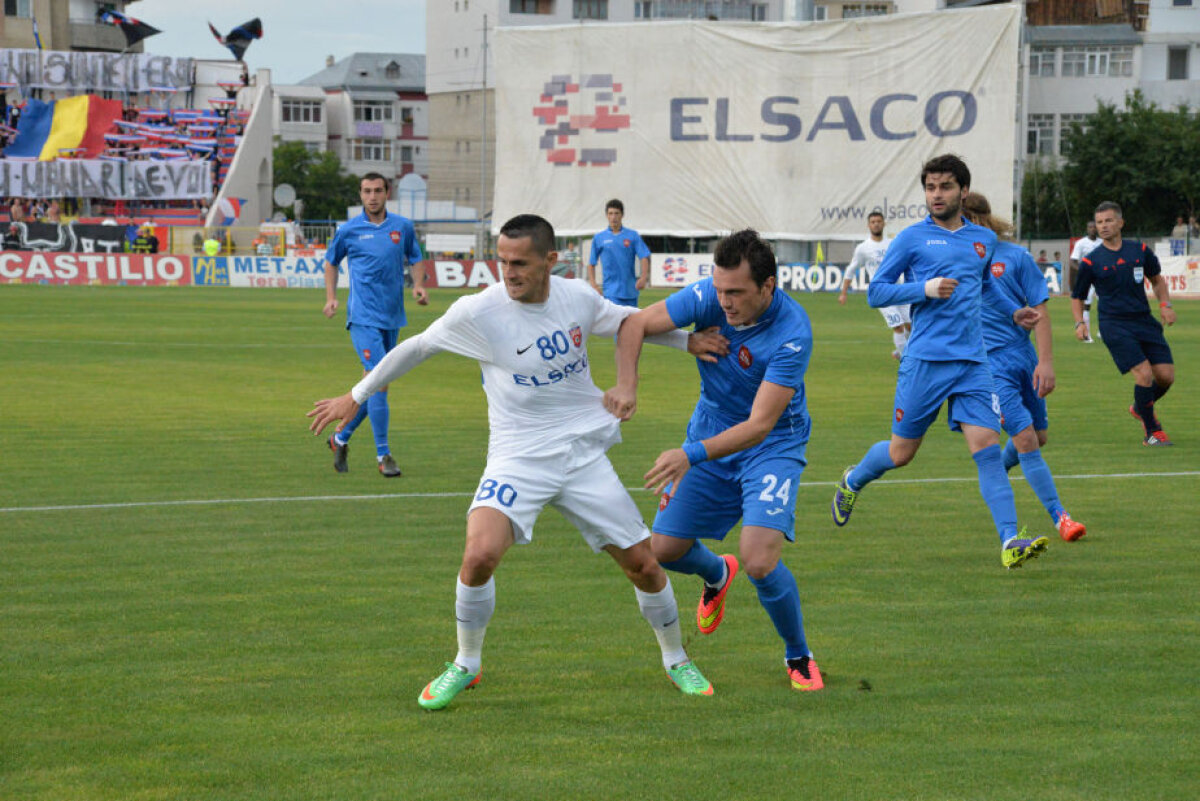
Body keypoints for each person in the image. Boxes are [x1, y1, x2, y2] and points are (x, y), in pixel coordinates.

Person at [308, 213, 728, 709]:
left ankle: (676, 658)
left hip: (580, 454)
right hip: (517, 456)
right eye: (503, 262)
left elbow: (627, 321)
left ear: (551, 260)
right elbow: (417, 347)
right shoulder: (480, 311)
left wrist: (685, 340)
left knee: (643, 564)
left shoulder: (576, 297)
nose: (508, 273)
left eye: (520, 263)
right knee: (478, 556)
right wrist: (356, 395)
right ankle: (466, 663)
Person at [604, 228, 825, 692]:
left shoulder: (792, 333)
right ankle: (717, 572)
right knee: (664, 550)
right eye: (720, 289)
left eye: (736, 293)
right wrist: (630, 383)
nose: (724, 302)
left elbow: (760, 424)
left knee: (759, 560)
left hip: (771, 446)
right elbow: (634, 324)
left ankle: (798, 654)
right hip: (710, 430)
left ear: (768, 286)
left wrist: (689, 454)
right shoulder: (707, 296)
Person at [830, 154, 1047, 570]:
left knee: (987, 449)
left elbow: (983, 286)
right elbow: (876, 292)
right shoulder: (912, 239)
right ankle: (853, 479)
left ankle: (1010, 540)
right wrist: (924, 289)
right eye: (930, 187)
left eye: (945, 186)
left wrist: (1012, 312)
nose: (936, 194)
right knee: (901, 453)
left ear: (963, 191)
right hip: (926, 361)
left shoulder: (981, 240)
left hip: (973, 363)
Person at [962, 193, 1086, 542]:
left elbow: (1041, 312)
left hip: (1023, 357)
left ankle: (997, 470)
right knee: (1027, 438)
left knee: (1039, 437)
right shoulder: (959, 259)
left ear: (981, 218)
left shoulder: (1016, 257)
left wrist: (1045, 362)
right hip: (989, 366)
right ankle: (1061, 517)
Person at [322, 172, 428, 477]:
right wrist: (331, 297)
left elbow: (415, 257)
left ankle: (340, 438)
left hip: (392, 316)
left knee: (373, 384)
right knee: (379, 382)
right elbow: (331, 262)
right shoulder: (349, 230)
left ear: (387, 193)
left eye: (377, 190)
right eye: (367, 191)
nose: (372, 196)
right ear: (360, 194)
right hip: (363, 317)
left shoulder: (402, 227)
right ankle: (384, 455)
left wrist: (419, 286)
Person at [1072, 201, 1177, 446]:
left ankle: (1140, 407)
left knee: (1166, 376)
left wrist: (1165, 305)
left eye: (1108, 221)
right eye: (1099, 222)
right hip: (1114, 324)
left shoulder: (1140, 251)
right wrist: (1079, 323)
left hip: (1144, 321)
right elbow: (1077, 296)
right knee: (1144, 374)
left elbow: (1157, 280)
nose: (1103, 226)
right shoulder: (1091, 261)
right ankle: (1152, 433)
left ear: (1120, 223)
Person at [838, 210, 910, 359]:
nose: (876, 224)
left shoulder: (892, 244)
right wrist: (843, 293)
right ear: (868, 225)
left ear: (884, 224)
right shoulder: (863, 248)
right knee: (898, 326)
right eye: (873, 222)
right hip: (881, 291)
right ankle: (907, 360)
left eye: (878, 221)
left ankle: (899, 351)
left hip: (898, 289)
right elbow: (851, 270)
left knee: (911, 326)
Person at [587, 199, 650, 307]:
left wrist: (643, 277)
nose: (613, 217)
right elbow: (591, 263)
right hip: (610, 292)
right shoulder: (599, 238)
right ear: (606, 215)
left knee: (632, 318)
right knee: (614, 318)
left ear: (622, 215)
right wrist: (593, 284)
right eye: (610, 213)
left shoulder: (633, 235)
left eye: (616, 213)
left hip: (630, 291)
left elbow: (644, 256)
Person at [1069, 221, 1102, 343]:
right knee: (1086, 305)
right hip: (1087, 279)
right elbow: (1073, 261)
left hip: (1100, 277)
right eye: (1090, 227)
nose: (1092, 229)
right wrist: (1083, 270)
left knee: (1104, 303)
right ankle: (1086, 334)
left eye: (1094, 227)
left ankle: (1102, 331)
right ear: (1087, 229)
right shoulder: (1081, 243)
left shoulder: (1102, 242)